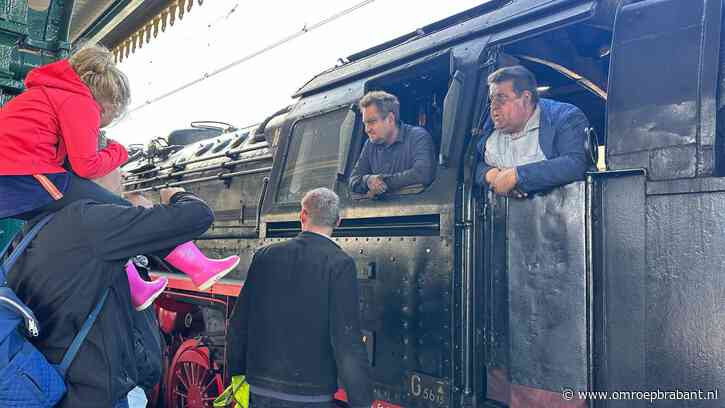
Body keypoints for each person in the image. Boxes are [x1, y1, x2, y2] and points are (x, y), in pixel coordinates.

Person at [0, 44, 239, 310]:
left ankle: (138, 286)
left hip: (18, 177)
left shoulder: (53, 94)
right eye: (110, 119)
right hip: (24, 176)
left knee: (109, 223)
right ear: (107, 106)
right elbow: (87, 167)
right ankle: (197, 265)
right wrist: (118, 151)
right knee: (120, 212)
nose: (102, 126)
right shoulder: (79, 101)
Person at [6, 166, 215, 407]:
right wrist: (177, 196)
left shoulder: (31, 230)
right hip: (96, 393)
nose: (124, 175)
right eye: (117, 166)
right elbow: (197, 216)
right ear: (90, 171)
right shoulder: (87, 223)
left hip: (55, 386)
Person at [227, 188, 372, 408]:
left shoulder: (265, 256)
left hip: (260, 388)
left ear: (302, 215)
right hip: (311, 395)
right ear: (338, 221)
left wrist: (237, 376)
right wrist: (361, 401)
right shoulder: (340, 264)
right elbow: (347, 340)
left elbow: (238, 323)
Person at [475, 65, 590, 196]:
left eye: (501, 97)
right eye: (492, 98)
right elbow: (470, 165)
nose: (493, 106)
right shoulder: (488, 126)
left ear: (526, 98)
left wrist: (517, 175)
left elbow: (576, 164)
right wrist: (489, 174)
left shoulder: (564, 117)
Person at [349, 91, 436, 197]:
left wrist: (383, 182)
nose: (367, 130)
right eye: (365, 123)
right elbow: (353, 180)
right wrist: (368, 181)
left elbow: (423, 173)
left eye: (372, 122)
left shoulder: (418, 136)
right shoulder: (370, 145)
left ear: (390, 119)